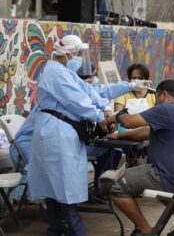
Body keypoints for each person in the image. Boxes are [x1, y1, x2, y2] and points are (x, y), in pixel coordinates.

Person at [26, 34, 111, 236]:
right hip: (55, 132)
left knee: (57, 185)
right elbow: (77, 101)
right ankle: (76, 230)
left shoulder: (63, 72)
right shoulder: (55, 72)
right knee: (61, 185)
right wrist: (99, 116)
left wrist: (103, 105)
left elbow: (86, 91)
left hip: (60, 131)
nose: (79, 58)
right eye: (77, 53)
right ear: (69, 53)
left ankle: (55, 229)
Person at [101, 80, 174, 236]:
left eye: (156, 97)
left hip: (167, 177)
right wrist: (119, 135)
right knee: (150, 179)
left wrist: (116, 117)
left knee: (112, 183)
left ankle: (146, 230)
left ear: (163, 95)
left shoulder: (166, 109)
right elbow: (147, 131)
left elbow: (128, 122)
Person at [114, 63, 156, 166]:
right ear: (129, 80)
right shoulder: (122, 94)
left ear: (146, 79)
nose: (136, 81)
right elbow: (117, 113)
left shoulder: (154, 95)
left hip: (146, 133)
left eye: (140, 78)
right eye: (134, 78)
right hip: (125, 132)